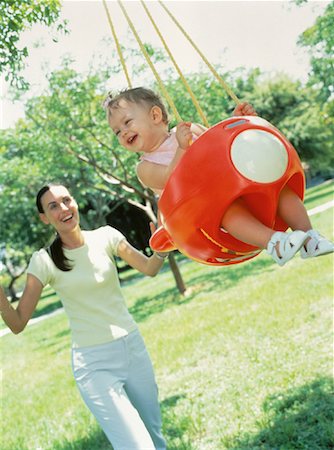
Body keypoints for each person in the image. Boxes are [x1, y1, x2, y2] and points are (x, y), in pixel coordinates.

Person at [0, 183, 167, 450]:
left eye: (66, 200)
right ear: (44, 218)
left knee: (155, 438)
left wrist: (162, 246)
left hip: (133, 348)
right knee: (137, 446)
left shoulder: (106, 236)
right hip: (94, 364)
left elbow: (149, 268)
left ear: (75, 202)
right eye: (53, 206)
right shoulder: (43, 261)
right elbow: (17, 323)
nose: (63, 208)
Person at [103, 87, 333, 266]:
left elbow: (220, 147)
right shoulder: (145, 167)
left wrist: (234, 120)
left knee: (282, 191)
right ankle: (274, 243)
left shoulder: (189, 130)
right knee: (227, 212)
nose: (122, 132)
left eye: (127, 122)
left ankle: (309, 238)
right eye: (116, 131)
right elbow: (168, 179)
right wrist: (182, 149)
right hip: (200, 214)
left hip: (229, 190)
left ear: (155, 115)